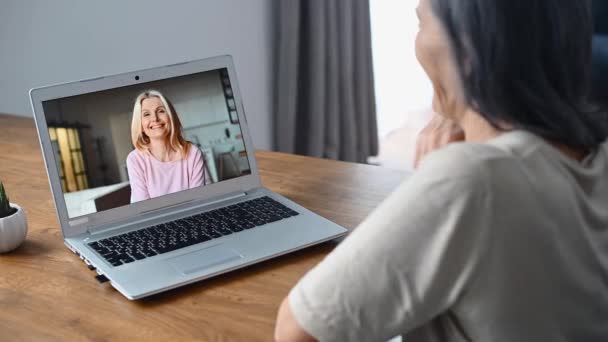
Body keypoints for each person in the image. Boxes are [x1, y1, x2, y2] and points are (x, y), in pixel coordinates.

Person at [274, 0, 608, 341]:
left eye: (421, 24)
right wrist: (470, 110)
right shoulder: (596, 158)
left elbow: (298, 331)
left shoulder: (475, 180)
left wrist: (439, 175)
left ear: (468, 50)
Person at [127, 90, 211, 203]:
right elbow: (144, 209)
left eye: (161, 111)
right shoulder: (135, 159)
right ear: (140, 125)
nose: (155, 119)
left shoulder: (193, 153)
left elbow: (198, 201)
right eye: (146, 114)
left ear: (171, 117)